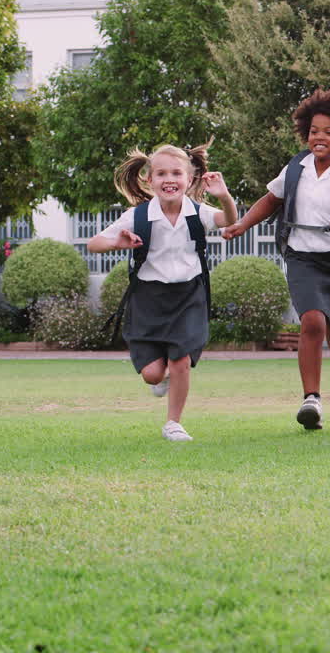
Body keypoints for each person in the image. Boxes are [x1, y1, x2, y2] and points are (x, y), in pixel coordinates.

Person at [223, 86, 330, 431]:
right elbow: (271, 200)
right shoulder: (296, 168)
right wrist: (241, 224)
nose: (319, 137)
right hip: (302, 257)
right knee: (312, 321)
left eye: (329, 132)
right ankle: (311, 399)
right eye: (313, 131)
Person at [89, 141, 238, 441]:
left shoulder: (198, 212)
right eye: (161, 174)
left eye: (176, 173)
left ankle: (173, 423)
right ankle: (163, 377)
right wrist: (117, 242)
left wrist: (224, 197)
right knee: (152, 374)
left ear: (190, 178)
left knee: (181, 360)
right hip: (148, 299)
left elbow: (230, 221)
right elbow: (94, 243)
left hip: (188, 296)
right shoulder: (137, 216)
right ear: (149, 179)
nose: (169, 179)